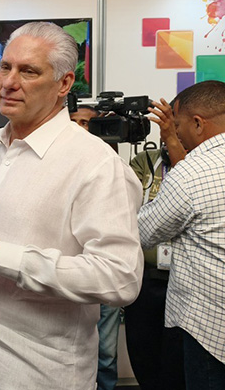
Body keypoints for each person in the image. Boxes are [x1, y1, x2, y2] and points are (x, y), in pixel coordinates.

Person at [0, 21, 143, 389]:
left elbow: (120, 278)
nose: (8, 82)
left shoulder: (96, 165)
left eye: (28, 71)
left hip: (35, 376)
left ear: (64, 84)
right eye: (6, 66)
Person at [138, 80, 225, 389]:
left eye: (178, 127)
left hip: (211, 329)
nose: (176, 136)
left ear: (198, 123)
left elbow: (145, 232)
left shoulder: (193, 172)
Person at [124, 98, 187, 390]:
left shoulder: (202, 166)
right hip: (147, 279)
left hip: (185, 278)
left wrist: (174, 144)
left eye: (176, 126)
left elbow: (188, 190)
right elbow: (127, 208)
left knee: (178, 358)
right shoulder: (146, 161)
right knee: (143, 351)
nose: (171, 131)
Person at [69, 106, 121, 390]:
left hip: (103, 273)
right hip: (69, 273)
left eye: (87, 122)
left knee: (107, 353)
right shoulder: (58, 163)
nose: (80, 128)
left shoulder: (112, 166)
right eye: (74, 121)